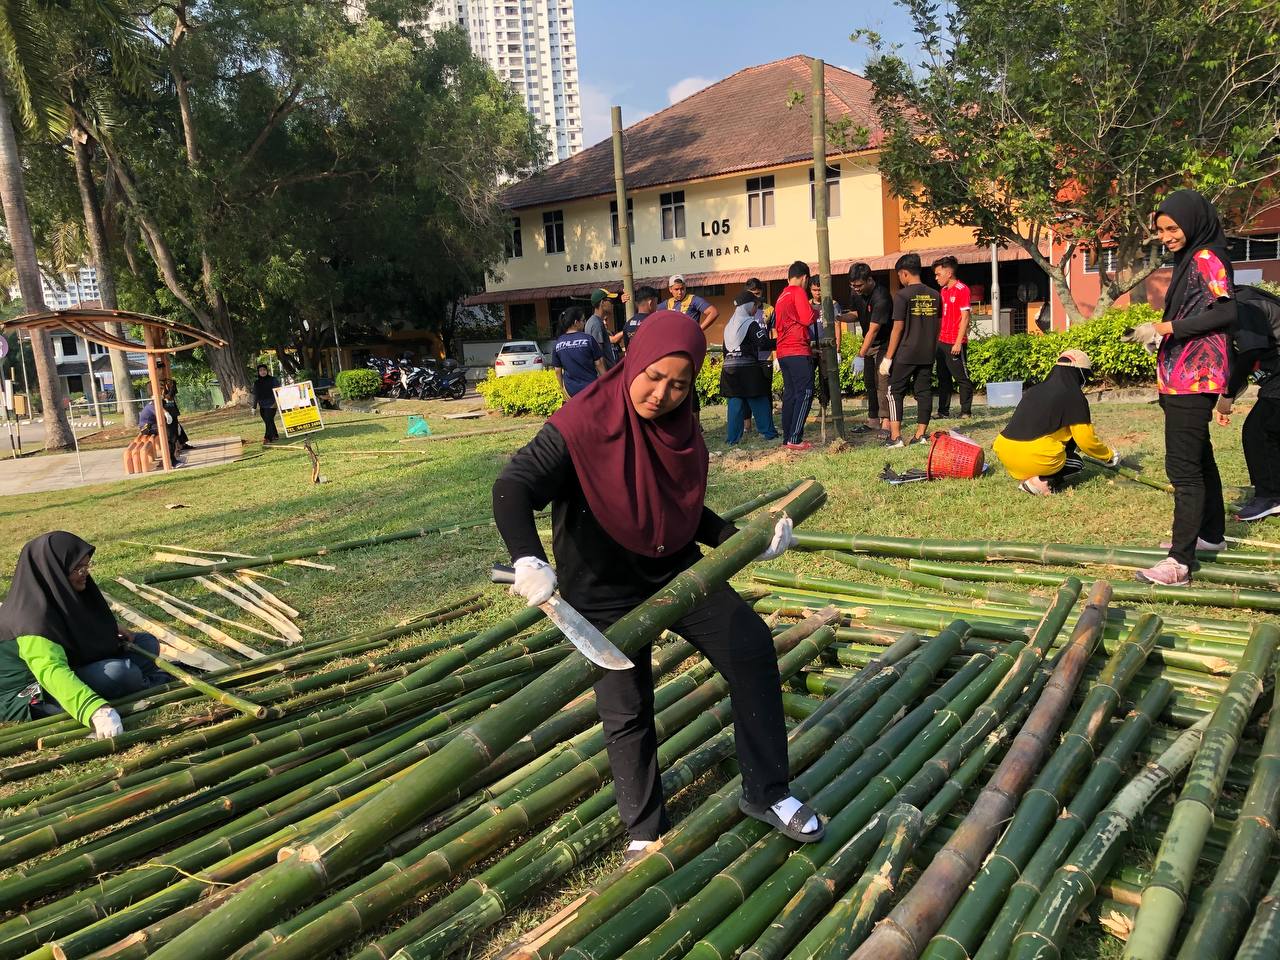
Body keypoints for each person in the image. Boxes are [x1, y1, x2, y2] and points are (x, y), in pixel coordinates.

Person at [492, 311, 823, 862]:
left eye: (679, 383)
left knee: (750, 650)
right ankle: (645, 829)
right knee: (626, 705)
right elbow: (514, 485)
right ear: (632, 362)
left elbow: (679, 510)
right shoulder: (580, 422)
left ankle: (767, 793)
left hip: (674, 571)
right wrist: (527, 557)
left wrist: (741, 540)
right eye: (653, 376)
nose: (662, 393)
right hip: (600, 589)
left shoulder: (679, 429)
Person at [1136, 189, 1236, 586]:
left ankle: (1179, 562)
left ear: (1192, 223)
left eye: (1172, 228)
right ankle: (1210, 536)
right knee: (1200, 456)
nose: (1166, 236)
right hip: (1182, 375)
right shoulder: (1189, 259)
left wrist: (1166, 327)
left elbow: (1227, 310)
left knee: (1183, 467)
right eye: (1160, 230)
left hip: (1196, 377)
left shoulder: (1206, 257)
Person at [0, 532, 168, 734]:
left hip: (72, 662)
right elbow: (51, 672)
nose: (85, 573)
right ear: (54, 572)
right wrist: (95, 710)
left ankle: (132, 681)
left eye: (87, 566)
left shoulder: (58, 591)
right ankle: (136, 683)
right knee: (121, 673)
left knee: (147, 643)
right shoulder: (30, 620)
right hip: (34, 688)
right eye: (78, 568)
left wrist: (108, 631)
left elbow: (80, 624)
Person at [993, 350, 1120, 494]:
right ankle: (1040, 482)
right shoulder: (1074, 396)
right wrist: (1109, 456)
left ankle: (1029, 474)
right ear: (1079, 374)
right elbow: (1086, 441)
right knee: (1077, 463)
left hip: (1005, 452)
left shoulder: (1034, 390)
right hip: (1034, 456)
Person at [1213, 293, 1280, 522]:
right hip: (1274, 376)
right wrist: (1225, 401)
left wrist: (1229, 395)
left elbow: (1251, 350)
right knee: (1269, 432)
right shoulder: (1230, 307)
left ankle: (1270, 498)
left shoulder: (1242, 305)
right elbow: (1240, 361)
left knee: (1257, 432)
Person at [881, 253, 941, 447]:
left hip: (906, 352)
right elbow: (938, 325)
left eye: (899, 275)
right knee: (924, 392)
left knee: (894, 391)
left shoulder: (902, 295)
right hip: (927, 352)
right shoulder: (935, 295)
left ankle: (895, 437)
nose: (899, 279)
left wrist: (888, 358)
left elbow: (897, 328)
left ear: (904, 273)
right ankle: (921, 435)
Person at [721, 290, 779, 444]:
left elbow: (724, 350)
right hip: (748, 370)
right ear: (747, 306)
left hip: (729, 370)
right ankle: (769, 433)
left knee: (735, 403)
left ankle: (732, 439)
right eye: (755, 306)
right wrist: (782, 342)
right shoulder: (750, 323)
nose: (756, 310)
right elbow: (764, 343)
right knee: (759, 398)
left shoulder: (728, 326)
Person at [774, 261, 817, 450]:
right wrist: (816, 312)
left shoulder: (781, 296)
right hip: (797, 349)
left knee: (790, 394)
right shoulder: (798, 292)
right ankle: (795, 437)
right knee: (806, 392)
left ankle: (787, 438)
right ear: (805, 278)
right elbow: (807, 318)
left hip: (783, 351)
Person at [850, 263, 893, 434]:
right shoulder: (856, 293)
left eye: (859, 285)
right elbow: (855, 313)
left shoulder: (881, 297)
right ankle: (873, 420)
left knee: (882, 381)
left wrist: (860, 355)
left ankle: (886, 423)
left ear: (869, 280)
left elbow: (874, 330)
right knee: (870, 382)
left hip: (884, 342)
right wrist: (837, 317)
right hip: (869, 342)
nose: (856, 289)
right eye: (853, 285)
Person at [932, 256, 974, 418]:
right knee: (943, 377)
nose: (936, 278)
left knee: (961, 377)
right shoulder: (943, 291)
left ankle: (966, 411)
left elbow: (965, 317)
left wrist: (958, 342)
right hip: (942, 341)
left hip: (955, 342)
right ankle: (943, 411)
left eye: (938, 274)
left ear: (948, 273)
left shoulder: (962, 289)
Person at [551, 306, 606, 400]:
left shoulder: (558, 343)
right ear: (576, 323)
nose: (585, 323)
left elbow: (557, 371)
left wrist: (563, 390)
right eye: (583, 320)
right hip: (591, 389)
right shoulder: (588, 339)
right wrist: (607, 382)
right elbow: (599, 364)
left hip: (571, 391)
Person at [586, 289, 624, 369]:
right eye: (610, 301)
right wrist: (604, 377)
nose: (612, 304)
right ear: (602, 303)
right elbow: (598, 355)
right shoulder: (596, 324)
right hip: (604, 375)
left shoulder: (596, 321)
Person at [138, 397, 181, 463]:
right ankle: (171, 460)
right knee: (169, 435)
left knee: (170, 433)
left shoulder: (152, 405)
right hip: (146, 428)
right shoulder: (152, 407)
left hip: (151, 426)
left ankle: (172, 458)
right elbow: (162, 417)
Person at [251, 364, 280, 444]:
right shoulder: (256, 383)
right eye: (260, 370)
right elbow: (256, 395)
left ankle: (267, 438)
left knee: (268, 420)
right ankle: (275, 435)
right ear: (258, 372)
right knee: (268, 421)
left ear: (267, 371)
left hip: (272, 404)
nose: (262, 372)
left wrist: (276, 402)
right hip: (262, 405)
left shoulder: (273, 379)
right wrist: (254, 407)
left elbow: (278, 391)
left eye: (264, 370)